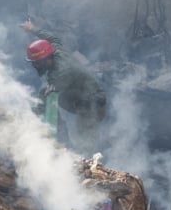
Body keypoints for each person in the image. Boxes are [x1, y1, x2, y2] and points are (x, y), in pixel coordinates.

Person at [20, 18, 106, 154]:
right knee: (47, 103)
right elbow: (51, 37)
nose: (35, 66)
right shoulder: (55, 49)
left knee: (86, 141)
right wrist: (32, 29)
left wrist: (35, 119)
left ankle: (86, 166)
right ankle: (64, 144)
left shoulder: (60, 71)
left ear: (47, 59)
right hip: (77, 97)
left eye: (37, 63)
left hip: (91, 103)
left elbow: (46, 92)